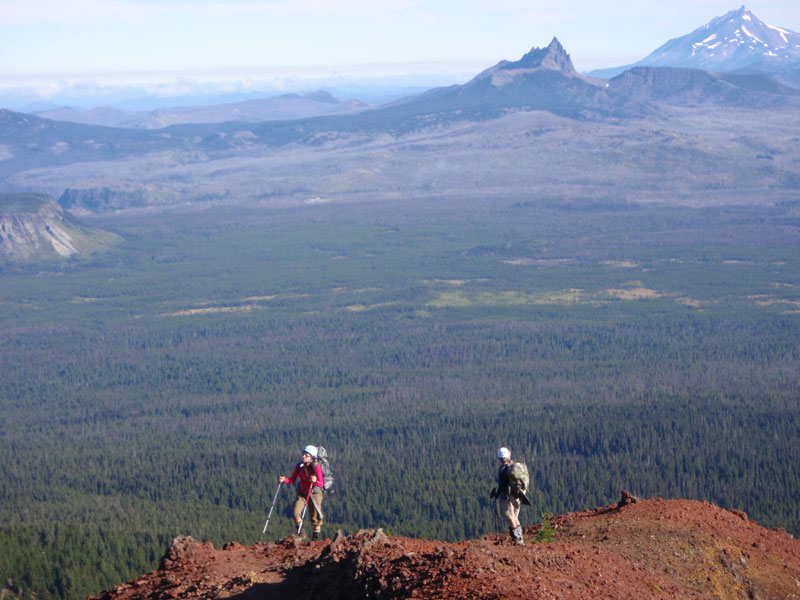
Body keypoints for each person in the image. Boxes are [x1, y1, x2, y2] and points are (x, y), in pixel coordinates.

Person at [280, 445, 325, 540]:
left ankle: (315, 539)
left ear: (312, 457)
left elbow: (321, 484)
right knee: (296, 513)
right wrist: (285, 480)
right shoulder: (299, 466)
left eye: (306, 455)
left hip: (315, 494)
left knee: (315, 518)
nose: (303, 456)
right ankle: (301, 534)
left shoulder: (316, 467)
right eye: (303, 454)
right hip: (303, 493)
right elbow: (292, 479)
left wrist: (315, 480)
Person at [491, 447, 524, 545]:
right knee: (515, 516)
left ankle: (518, 540)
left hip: (507, 497)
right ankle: (520, 538)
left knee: (511, 517)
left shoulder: (502, 469)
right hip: (516, 495)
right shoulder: (511, 467)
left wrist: (495, 496)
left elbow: (501, 486)